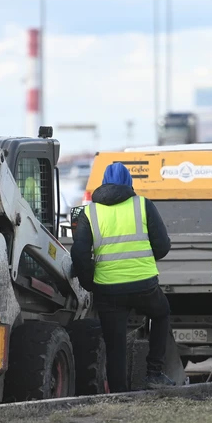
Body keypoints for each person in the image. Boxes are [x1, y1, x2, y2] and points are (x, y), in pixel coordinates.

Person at [70, 162, 175, 391]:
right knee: (161, 313)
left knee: (115, 345)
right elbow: (163, 246)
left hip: (108, 290)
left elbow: (79, 254)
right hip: (144, 284)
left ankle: (118, 393)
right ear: (129, 182)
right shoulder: (142, 205)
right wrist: (144, 260)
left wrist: (90, 283)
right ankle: (154, 374)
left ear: (104, 182)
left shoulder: (90, 211)